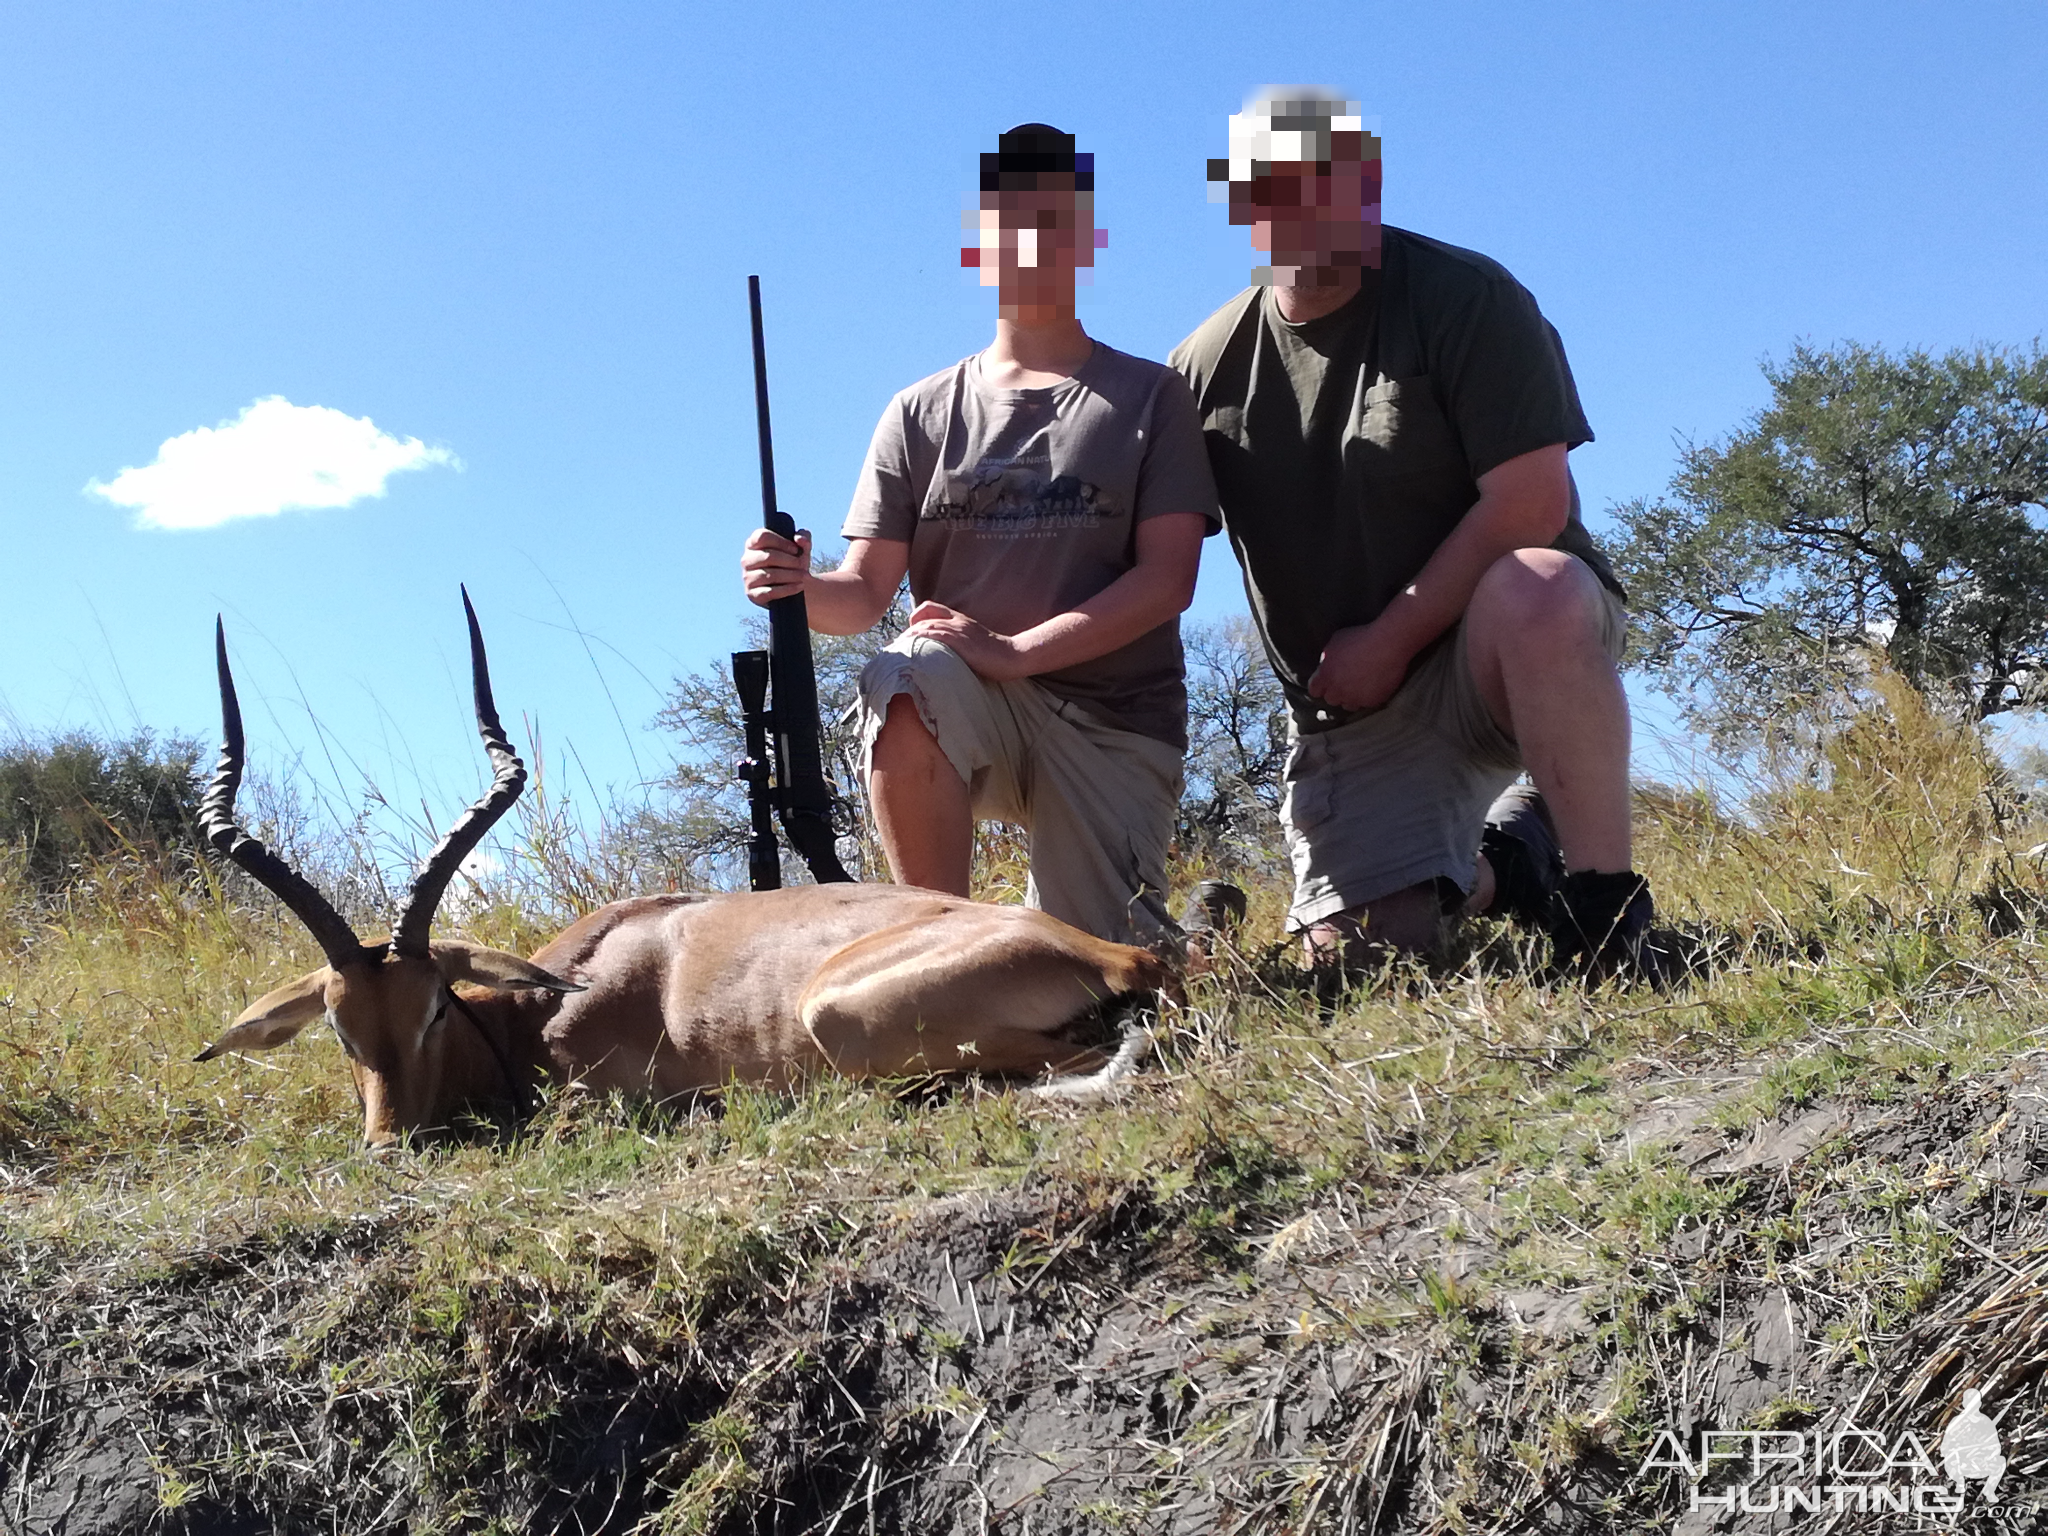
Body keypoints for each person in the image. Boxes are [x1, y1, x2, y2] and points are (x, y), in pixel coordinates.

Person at [1170, 88, 1664, 982]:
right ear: (1241, 201)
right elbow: (1151, 548)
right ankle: (1512, 863)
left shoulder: (1467, 295)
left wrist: (1390, 639)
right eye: (1271, 182)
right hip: (1351, 707)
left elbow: (1529, 504)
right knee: (1372, 954)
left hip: (1489, 645)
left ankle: (1605, 912)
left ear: (1367, 181)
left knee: (1540, 583)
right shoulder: (1202, 364)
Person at [741, 124, 1220, 945]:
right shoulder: (918, 411)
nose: (1032, 244)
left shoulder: (1152, 396)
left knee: (1103, 972)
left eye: (1053, 223)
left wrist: (1018, 651)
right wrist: (793, 583)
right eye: (1011, 225)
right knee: (904, 674)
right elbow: (859, 597)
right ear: (978, 246)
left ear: (1087, 240)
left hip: (1115, 718)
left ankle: (1175, 931)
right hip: (971, 702)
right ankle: (939, 956)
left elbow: (1167, 581)